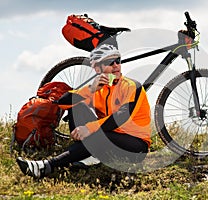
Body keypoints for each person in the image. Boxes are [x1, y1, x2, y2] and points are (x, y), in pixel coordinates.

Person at [16, 44, 152, 178]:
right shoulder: (99, 87)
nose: (116, 65)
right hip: (106, 136)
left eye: (118, 61)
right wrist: (90, 89)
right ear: (98, 68)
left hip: (135, 145)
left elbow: (120, 118)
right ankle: (89, 154)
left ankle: (47, 166)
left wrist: (89, 128)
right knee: (76, 106)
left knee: (98, 136)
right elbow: (63, 102)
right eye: (110, 62)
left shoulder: (132, 86)